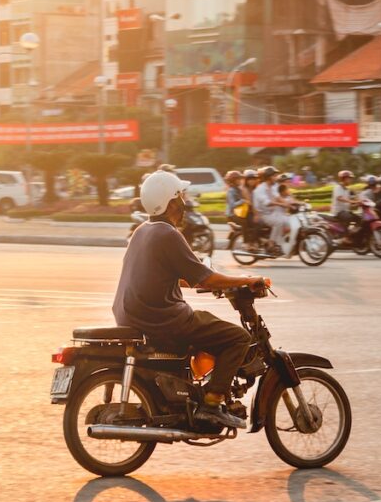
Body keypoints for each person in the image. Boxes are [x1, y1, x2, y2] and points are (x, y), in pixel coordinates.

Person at [113, 170, 268, 429]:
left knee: (206, 323)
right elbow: (206, 278)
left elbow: (173, 274)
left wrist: (206, 282)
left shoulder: (143, 231)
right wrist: (244, 280)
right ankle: (211, 403)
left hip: (133, 314)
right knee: (238, 338)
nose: (185, 202)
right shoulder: (168, 234)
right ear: (171, 202)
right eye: (181, 196)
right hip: (163, 319)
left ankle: (197, 392)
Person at [252, 166, 290, 255]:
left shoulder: (273, 187)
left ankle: (280, 243)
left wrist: (289, 204)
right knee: (279, 222)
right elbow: (268, 203)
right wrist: (282, 204)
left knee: (288, 221)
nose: (276, 178)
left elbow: (278, 197)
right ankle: (271, 243)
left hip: (273, 212)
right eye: (274, 176)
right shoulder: (260, 189)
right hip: (263, 214)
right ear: (269, 177)